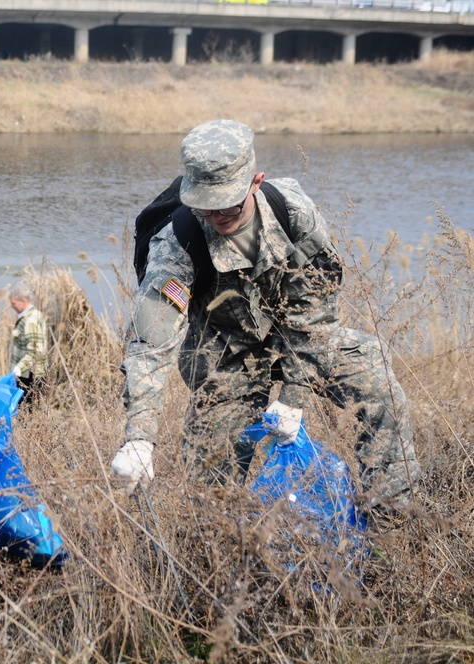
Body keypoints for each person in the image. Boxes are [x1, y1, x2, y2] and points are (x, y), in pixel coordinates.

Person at [111, 119, 419, 523]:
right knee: (210, 483)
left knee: (379, 383)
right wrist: (139, 437)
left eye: (229, 205)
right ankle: (222, 553)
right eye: (206, 206)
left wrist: (294, 396)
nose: (218, 216)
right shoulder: (176, 244)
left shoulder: (292, 211)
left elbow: (317, 310)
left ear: (256, 181)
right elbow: (152, 343)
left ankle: (391, 521)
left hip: (300, 341)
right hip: (226, 362)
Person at [8, 282, 49, 409]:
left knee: (26, 411)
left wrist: (18, 368)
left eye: (14, 303)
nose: (12, 306)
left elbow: (36, 351)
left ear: (23, 301)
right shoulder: (33, 315)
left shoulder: (30, 320)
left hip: (29, 375)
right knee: (30, 411)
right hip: (29, 373)